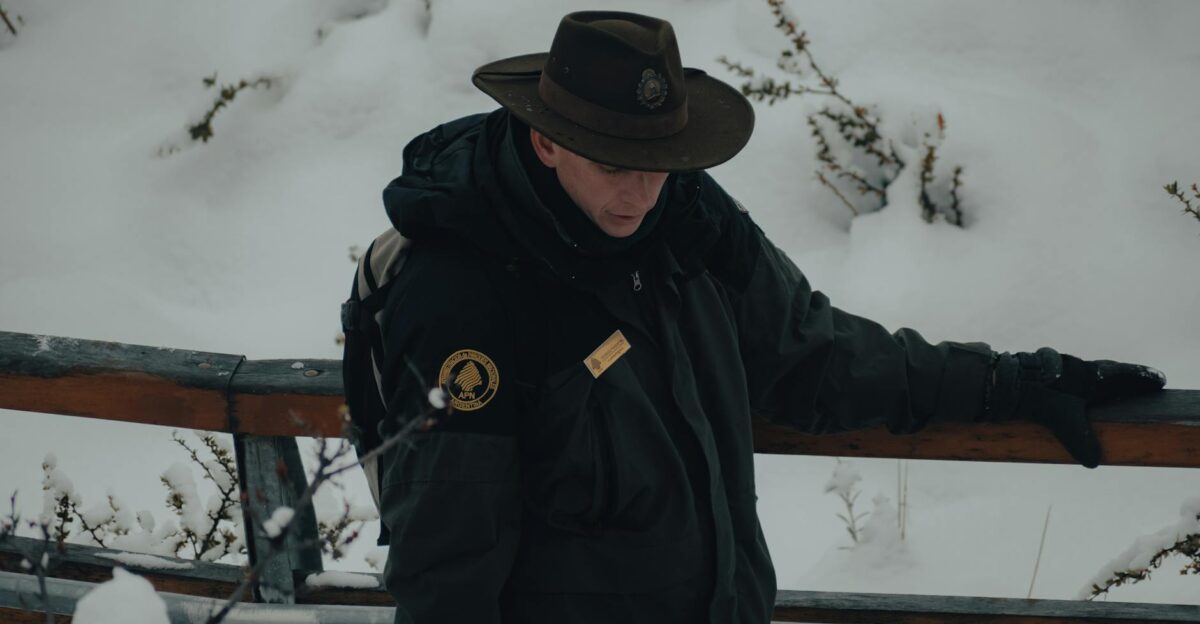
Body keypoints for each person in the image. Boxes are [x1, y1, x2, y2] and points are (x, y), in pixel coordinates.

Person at [348, 10, 1166, 624]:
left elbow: (817, 357)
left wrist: (1009, 384)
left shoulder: (687, 218)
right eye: (613, 163)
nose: (639, 192)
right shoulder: (461, 292)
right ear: (547, 141)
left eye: (658, 162)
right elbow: (447, 569)